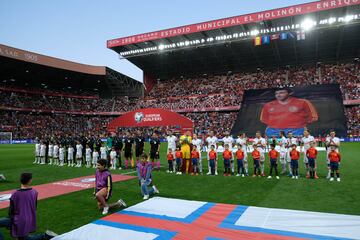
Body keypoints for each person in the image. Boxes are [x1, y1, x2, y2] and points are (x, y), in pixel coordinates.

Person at [0, 173, 57, 240]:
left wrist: (11, 221)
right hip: (29, 218)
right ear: (30, 181)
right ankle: (45, 236)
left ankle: (45, 236)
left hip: (17, 219)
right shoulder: (34, 192)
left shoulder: (15, 194)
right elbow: (34, 207)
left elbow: (11, 210)